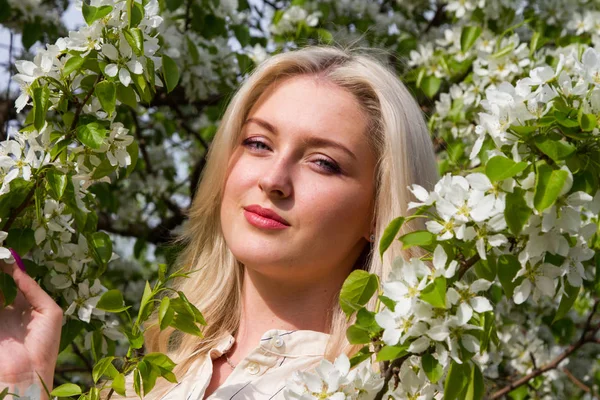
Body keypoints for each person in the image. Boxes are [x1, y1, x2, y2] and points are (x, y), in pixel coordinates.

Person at [0, 45, 439, 400]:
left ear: (381, 210)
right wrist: (23, 383)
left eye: (323, 163)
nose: (273, 179)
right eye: (258, 143)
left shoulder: (386, 386)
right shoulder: (145, 384)